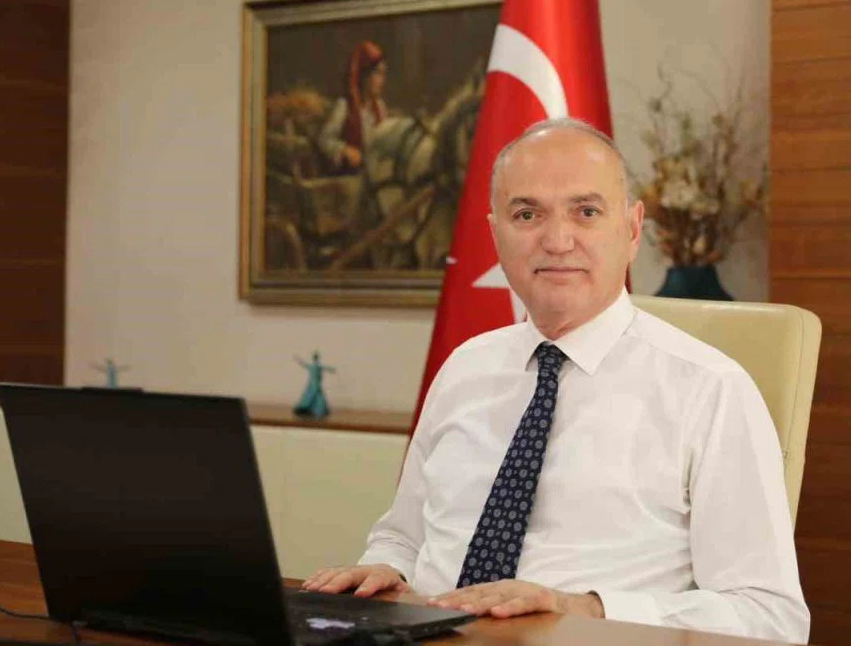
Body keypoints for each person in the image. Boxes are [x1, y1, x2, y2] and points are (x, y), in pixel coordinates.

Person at [302, 118, 809, 643]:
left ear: (633, 230)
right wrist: (387, 568)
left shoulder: (710, 389)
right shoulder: (464, 368)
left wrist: (583, 609)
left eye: (586, 212)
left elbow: (770, 617)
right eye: (527, 215)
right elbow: (404, 537)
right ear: (495, 234)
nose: (557, 241)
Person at [317, 40, 390, 176]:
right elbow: (324, 140)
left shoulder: (380, 107)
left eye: (383, 74)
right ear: (363, 75)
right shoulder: (345, 106)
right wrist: (344, 150)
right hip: (349, 177)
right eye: (377, 73)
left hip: (374, 174)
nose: (381, 80)